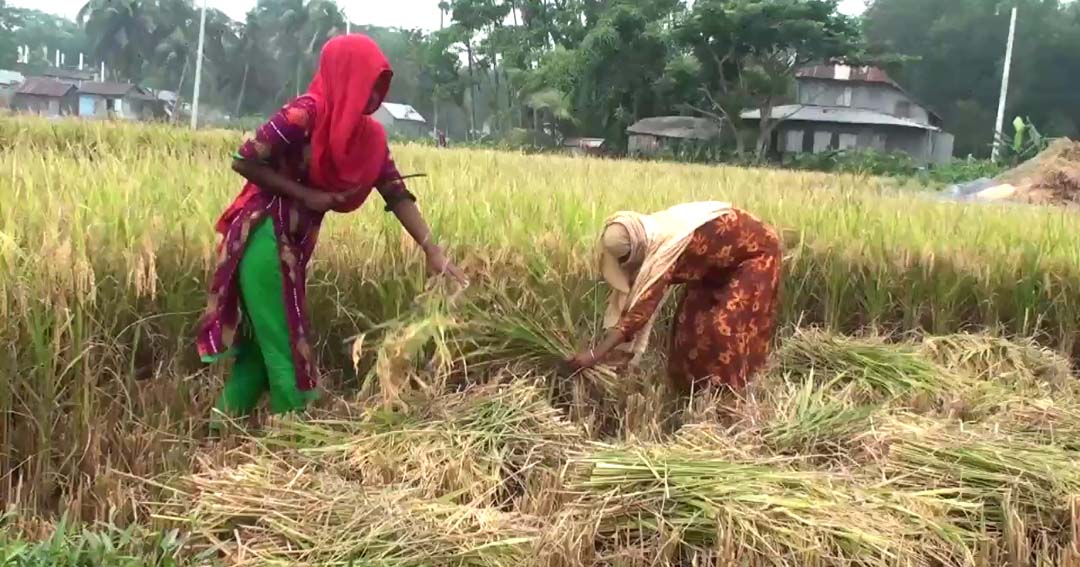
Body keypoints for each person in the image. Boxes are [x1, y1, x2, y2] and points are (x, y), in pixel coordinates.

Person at [196, 34, 466, 425]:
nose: (375, 94)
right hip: (263, 237)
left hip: (292, 246)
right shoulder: (304, 114)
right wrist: (306, 194)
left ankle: (217, 430)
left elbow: (395, 192)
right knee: (288, 346)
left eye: (380, 85)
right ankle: (292, 439)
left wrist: (432, 250)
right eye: (368, 81)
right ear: (346, 76)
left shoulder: (368, 138)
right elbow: (245, 158)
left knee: (259, 353)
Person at [567, 202, 782, 393]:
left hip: (755, 254)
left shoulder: (665, 248)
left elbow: (639, 315)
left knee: (721, 328)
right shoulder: (648, 231)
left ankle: (729, 393)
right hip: (714, 266)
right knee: (687, 325)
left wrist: (594, 355)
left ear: (638, 247)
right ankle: (692, 390)